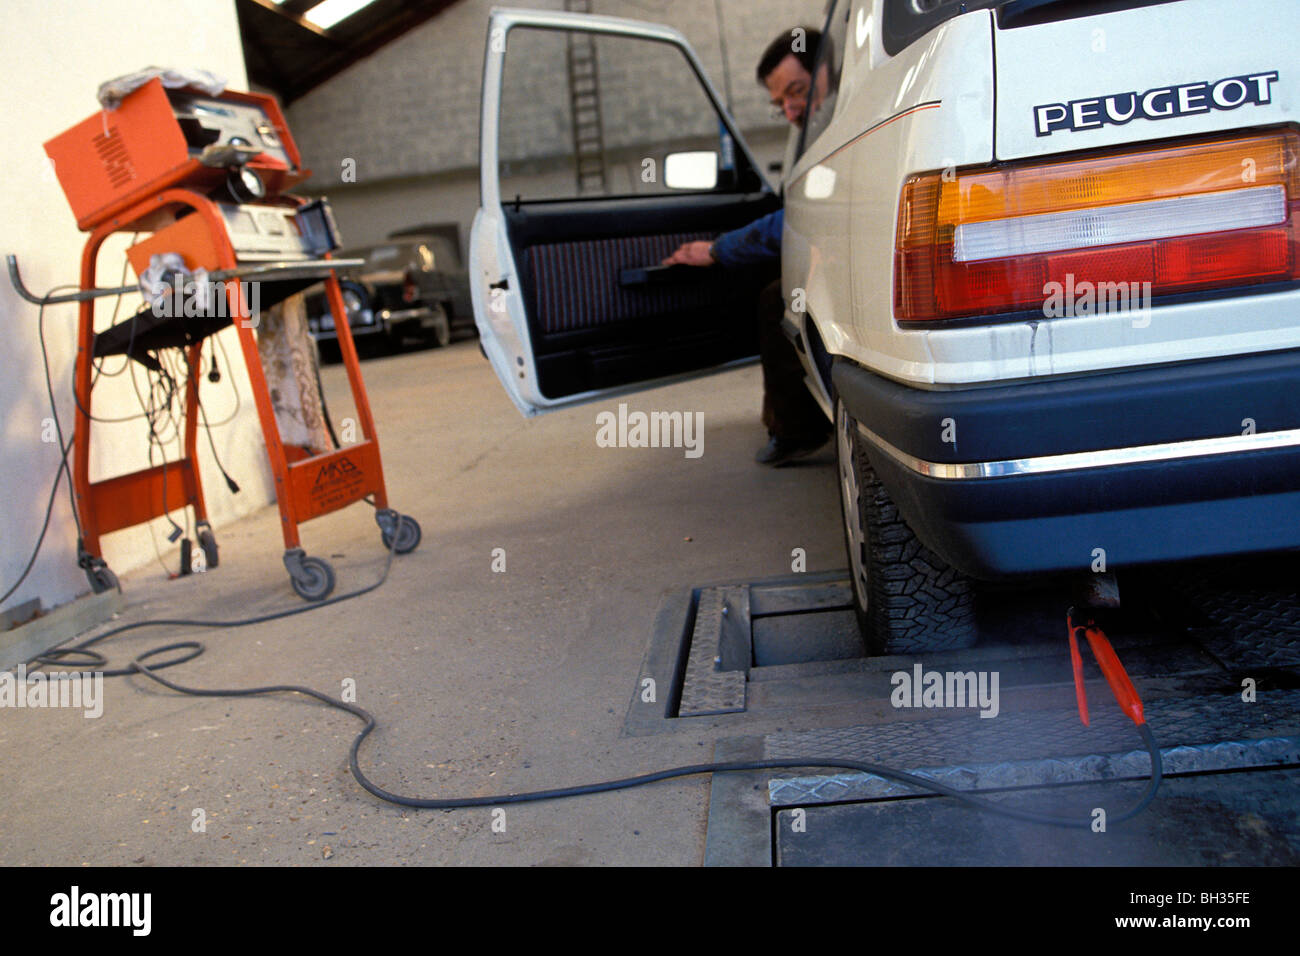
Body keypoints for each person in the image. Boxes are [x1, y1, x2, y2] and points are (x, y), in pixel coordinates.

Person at [662, 26, 831, 467]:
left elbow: (793, 221)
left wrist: (718, 249)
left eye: (797, 90)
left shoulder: (842, 126)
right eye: (780, 103)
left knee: (776, 298)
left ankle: (796, 430)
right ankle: (789, 421)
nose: (791, 108)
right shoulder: (812, 131)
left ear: (831, 69)